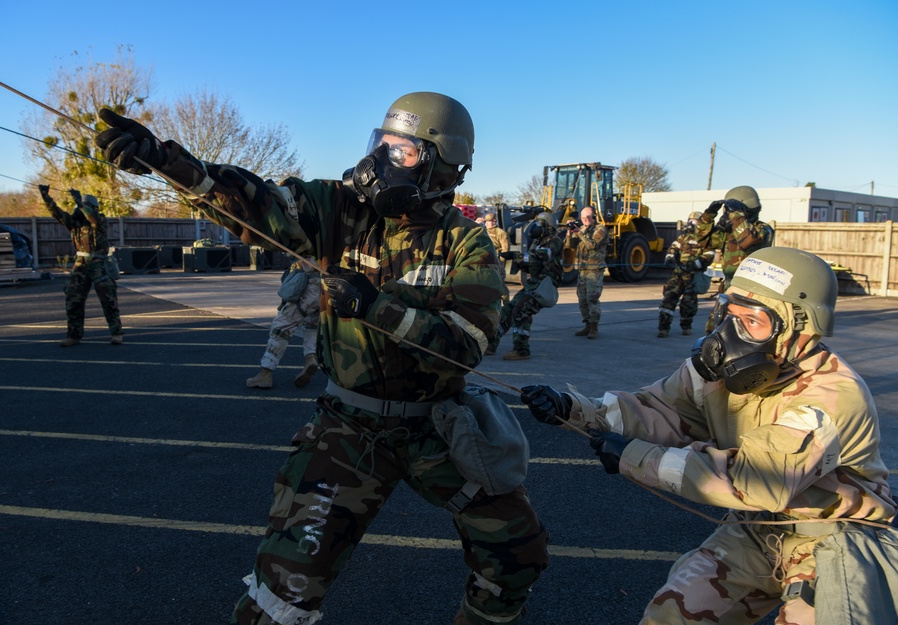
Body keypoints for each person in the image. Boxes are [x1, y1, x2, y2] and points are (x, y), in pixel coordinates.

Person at [95, 92, 548, 625]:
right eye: (380, 144)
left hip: (437, 428)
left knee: (517, 558)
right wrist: (168, 162)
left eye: (401, 152)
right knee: (284, 589)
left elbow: (465, 348)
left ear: (442, 166)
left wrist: (377, 308)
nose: (379, 161)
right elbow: (259, 203)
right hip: (349, 428)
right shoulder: (341, 209)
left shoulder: (466, 244)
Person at [520, 246, 898, 624]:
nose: (730, 334)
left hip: (830, 539)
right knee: (672, 614)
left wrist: (635, 458)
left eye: (752, 322)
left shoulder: (832, 396)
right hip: (757, 529)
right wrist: (572, 408)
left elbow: (757, 480)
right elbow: (659, 410)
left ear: (799, 331)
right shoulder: (719, 373)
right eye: (729, 315)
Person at [38, 185, 123, 347]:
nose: (80, 210)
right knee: (73, 298)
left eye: (83, 207)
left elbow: (93, 219)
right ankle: (74, 335)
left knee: (108, 298)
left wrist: (79, 201)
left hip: (99, 262)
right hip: (81, 263)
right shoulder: (74, 223)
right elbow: (57, 214)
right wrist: (45, 197)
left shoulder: (99, 221)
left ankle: (116, 332)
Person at [696, 185, 774, 329]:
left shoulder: (762, 230)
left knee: (741, 331)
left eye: (731, 211)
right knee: (713, 328)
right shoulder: (731, 232)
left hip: (750, 291)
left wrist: (736, 215)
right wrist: (708, 216)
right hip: (729, 287)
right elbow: (704, 241)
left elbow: (747, 241)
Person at [492, 212, 563, 360]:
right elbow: (531, 265)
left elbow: (540, 257)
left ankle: (521, 350)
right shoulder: (538, 242)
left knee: (522, 310)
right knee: (509, 309)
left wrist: (515, 256)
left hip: (545, 285)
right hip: (534, 283)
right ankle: (491, 344)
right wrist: (518, 261)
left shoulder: (554, 241)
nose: (536, 227)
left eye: (539, 224)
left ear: (547, 226)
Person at [245, 258, 321, 389]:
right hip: (327, 286)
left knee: (281, 328)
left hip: (310, 285)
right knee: (312, 326)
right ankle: (310, 357)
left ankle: (265, 373)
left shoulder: (319, 238)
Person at [657, 211, 714, 338]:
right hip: (677, 275)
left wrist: (694, 264)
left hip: (693, 276)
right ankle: (663, 328)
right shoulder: (683, 238)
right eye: (690, 220)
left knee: (689, 304)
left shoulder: (705, 240)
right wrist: (670, 258)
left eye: (694, 221)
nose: (691, 223)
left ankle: (686, 326)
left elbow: (709, 256)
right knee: (668, 300)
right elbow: (673, 248)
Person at [567, 206, 609, 339]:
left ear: (594, 217)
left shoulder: (600, 229)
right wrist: (569, 233)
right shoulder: (583, 229)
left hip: (594, 269)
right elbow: (569, 246)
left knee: (592, 298)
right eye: (583, 218)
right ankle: (587, 325)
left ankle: (594, 327)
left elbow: (592, 245)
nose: (585, 220)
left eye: (588, 217)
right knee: (582, 299)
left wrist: (579, 232)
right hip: (582, 269)